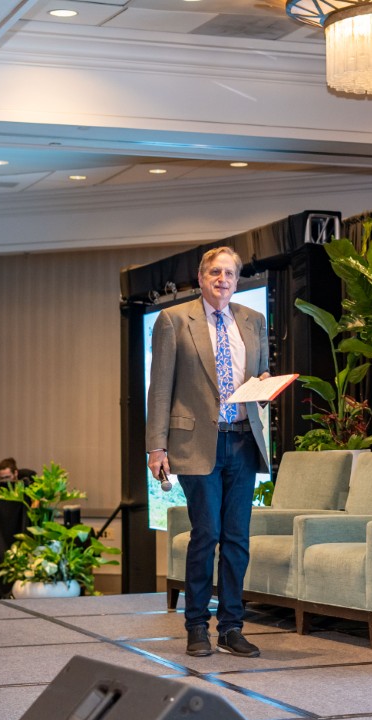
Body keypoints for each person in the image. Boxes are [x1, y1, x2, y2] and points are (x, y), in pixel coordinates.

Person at [146, 245, 270, 658]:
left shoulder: (253, 321)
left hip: (243, 440)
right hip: (197, 442)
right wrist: (157, 447)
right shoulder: (173, 320)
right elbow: (160, 389)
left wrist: (266, 386)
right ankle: (196, 625)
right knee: (207, 534)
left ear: (237, 281)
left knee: (237, 538)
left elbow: (259, 376)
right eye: (215, 272)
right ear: (201, 278)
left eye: (230, 274)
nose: (222, 279)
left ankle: (231, 627)